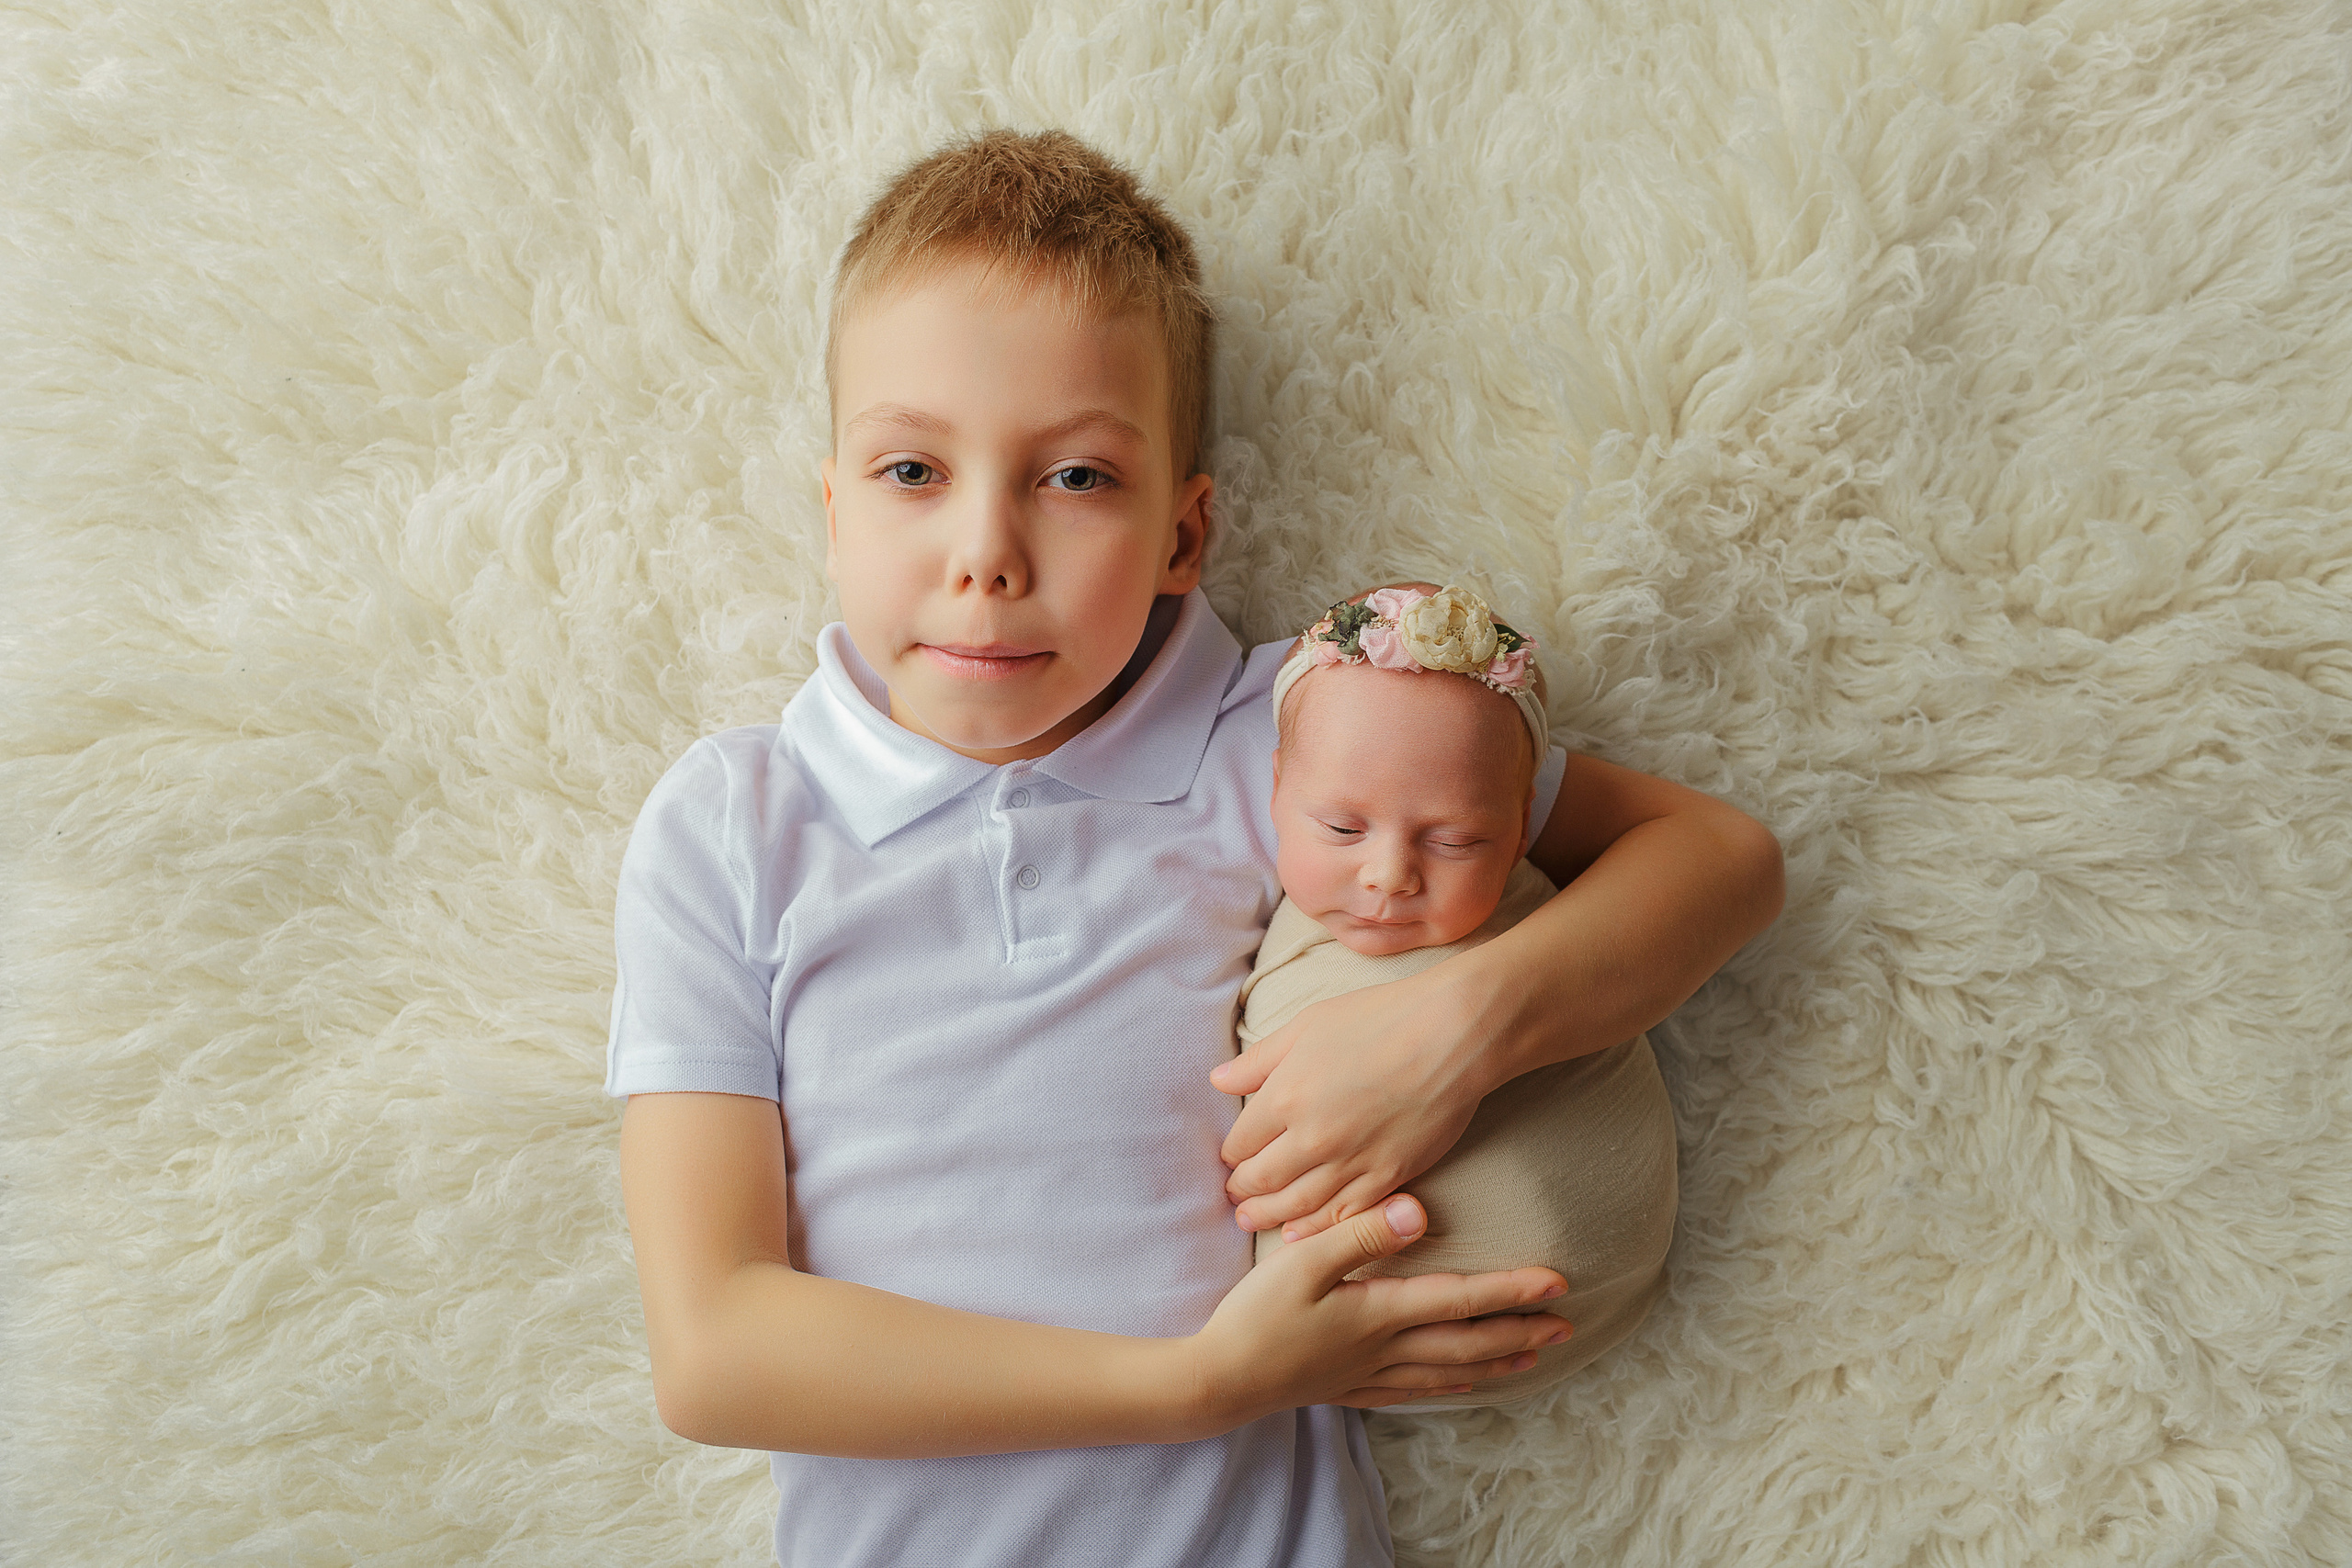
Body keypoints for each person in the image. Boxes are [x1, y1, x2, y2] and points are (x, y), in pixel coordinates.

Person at [606, 129, 1783, 1568]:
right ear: (834, 505)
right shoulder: (735, 823)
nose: (987, 550)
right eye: (913, 466)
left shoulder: (1285, 741)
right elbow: (717, 1347)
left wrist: (1455, 1029)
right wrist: (1200, 1385)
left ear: (1186, 530)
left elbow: (1719, 858)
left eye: (1079, 479)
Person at [1238, 584, 1679, 1413]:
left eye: (1455, 841)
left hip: (1594, 1303)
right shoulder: (1249, 913)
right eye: (1340, 828)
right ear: (1275, 786)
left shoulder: (1544, 916)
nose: (1389, 875)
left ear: (1520, 829)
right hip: (1315, 1348)